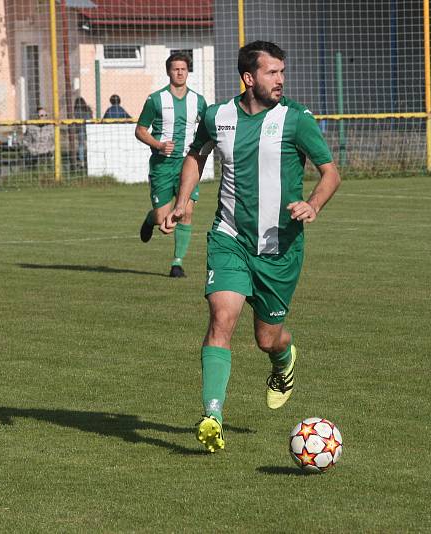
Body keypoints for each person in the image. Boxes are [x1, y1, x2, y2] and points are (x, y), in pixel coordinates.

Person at [162, 41, 341, 452]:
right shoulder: (217, 116)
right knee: (221, 319)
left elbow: (330, 172)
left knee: (267, 338)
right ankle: (213, 414)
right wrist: (182, 200)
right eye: (271, 73)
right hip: (229, 238)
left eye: (282, 72)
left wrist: (312, 205)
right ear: (248, 78)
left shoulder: (296, 120)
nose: (280, 80)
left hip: (280, 248)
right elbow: (196, 155)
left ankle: (283, 360)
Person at [135, 53, 208, 278]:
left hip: (188, 163)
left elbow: (206, 131)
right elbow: (140, 130)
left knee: (186, 211)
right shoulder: (155, 100)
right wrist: (158, 144)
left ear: (188, 71)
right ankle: (150, 220)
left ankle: (177, 263)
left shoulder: (198, 101)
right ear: (168, 71)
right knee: (161, 218)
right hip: (162, 165)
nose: (179, 72)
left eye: (183, 69)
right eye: (175, 69)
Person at [73, 97, 92, 168]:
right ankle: (89, 160)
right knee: (88, 145)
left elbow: (76, 120)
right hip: (89, 129)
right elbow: (90, 118)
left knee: (81, 145)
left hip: (80, 129)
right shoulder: (88, 109)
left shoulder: (76, 111)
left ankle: (82, 162)